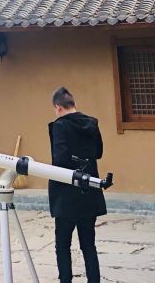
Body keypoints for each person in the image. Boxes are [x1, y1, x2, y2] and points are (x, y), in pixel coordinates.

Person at [49, 86, 106, 283]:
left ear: (58, 107)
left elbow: (59, 159)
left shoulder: (60, 126)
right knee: (89, 244)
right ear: (73, 104)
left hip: (66, 194)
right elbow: (98, 153)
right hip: (89, 190)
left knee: (62, 244)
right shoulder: (91, 123)